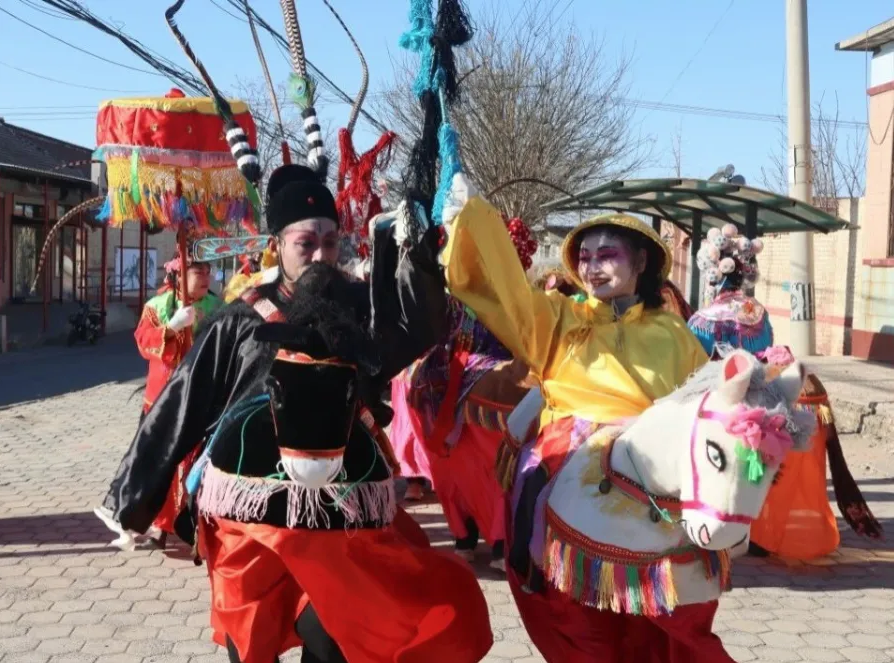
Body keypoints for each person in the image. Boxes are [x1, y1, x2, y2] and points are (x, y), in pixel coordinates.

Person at [96, 165, 488, 662]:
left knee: (333, 637)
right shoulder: (241, 317)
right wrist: (133, 499)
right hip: (250, 516)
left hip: (339, 511)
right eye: (306, 243)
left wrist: (424, 252)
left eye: (330, 241)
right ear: (278, 245)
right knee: (251, 639)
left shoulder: (363, 313)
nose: (322, 254)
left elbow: (422, 329)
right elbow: (182, 403)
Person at [437, 174, 717, 661]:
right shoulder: (558, 317)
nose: (592, 268)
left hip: (656, 456)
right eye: (585, 257)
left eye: (607, 255)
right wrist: (473, 219)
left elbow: (702, 401)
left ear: (641, 261)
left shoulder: (674, 331)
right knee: (532, 481)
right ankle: (532, 572)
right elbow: (501, 294)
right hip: (573, 442)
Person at [687, 224, 880, 559]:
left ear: (711, 276)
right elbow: (768, 352)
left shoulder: (703, 318)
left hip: (724, 397)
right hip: (766, 395)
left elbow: (696, 364)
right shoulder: (758, 314)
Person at [133, 248, 223, 546]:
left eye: (208, 271)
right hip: (162, 398)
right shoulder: (157, 306)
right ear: (179, 274)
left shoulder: (216, 306)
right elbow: (144, 343)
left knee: (200, 459)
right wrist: (170, 328)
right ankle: (159, 524)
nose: (206, 277)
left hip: (201, 396)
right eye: (199, 271)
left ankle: (199, 520)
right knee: (161, 461)